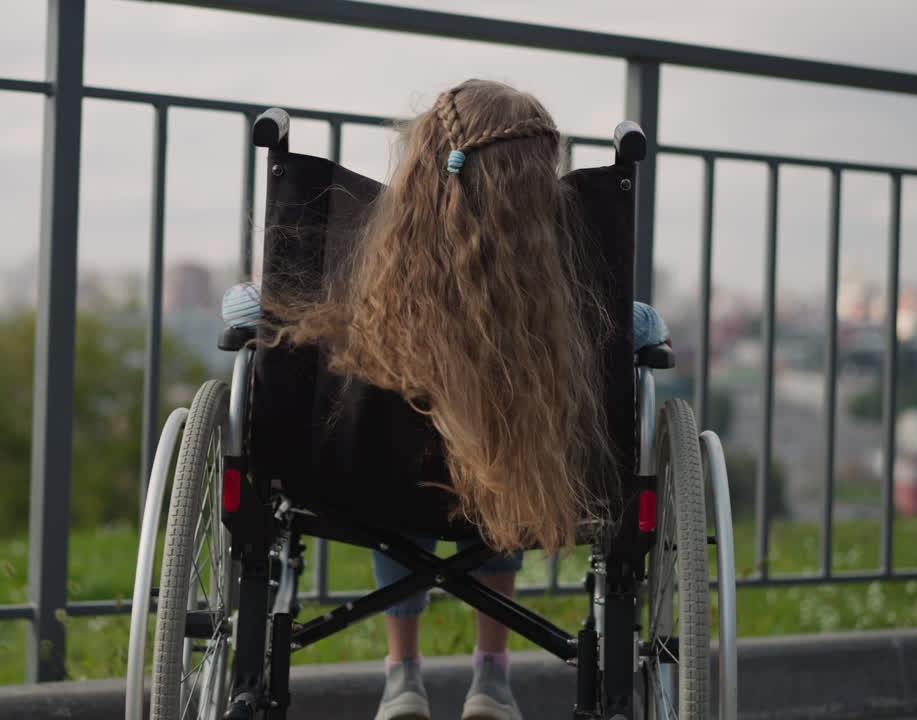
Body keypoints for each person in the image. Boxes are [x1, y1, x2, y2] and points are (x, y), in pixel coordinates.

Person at [223, 79, 670, 720]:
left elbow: (247, 310)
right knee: (513, 442)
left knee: (393, 455)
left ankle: (402, 675)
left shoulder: (358, 280)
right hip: (513, 482)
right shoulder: (577, 300)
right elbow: (642, 331)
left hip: (361, 481)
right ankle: (492, 677)